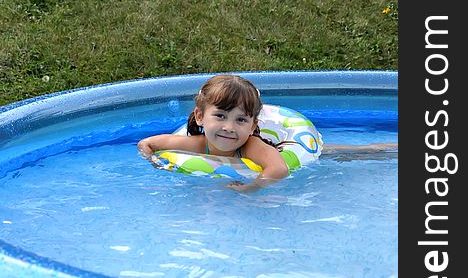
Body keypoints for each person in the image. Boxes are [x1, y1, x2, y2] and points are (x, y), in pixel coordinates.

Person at [138, 74, 397, 192]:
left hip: (300, 152)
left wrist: (252, 188)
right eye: (220, 116)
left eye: (240, 120)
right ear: (200, 117)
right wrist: (155, 162)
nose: (229, 127)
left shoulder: (252, 146)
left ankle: (389, 148)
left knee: (355, 155)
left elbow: (279, 169)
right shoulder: (196, 144)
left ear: (252, 126)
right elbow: (147, 143)